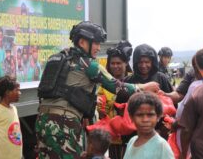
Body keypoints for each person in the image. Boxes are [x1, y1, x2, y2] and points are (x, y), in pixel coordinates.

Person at [35, 21, 159, 159]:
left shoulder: (58, 58)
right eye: (96, 43)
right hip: (63, 123)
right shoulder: (88, 64)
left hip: (42, 120)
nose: (99, 48)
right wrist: (144, 87)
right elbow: (118, 88)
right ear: (82, 42)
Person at [97, 40, 133, 159]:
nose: (115, 66)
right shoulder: (104, 86)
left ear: (126, 64)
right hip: (113, 137)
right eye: (112, 63)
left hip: (131, 134)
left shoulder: (132, 83)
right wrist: (100, 112)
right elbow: (99, 107)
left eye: (119, 63)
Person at [123, 92, 174, 159]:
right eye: (140, 115)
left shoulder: (162, 146)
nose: (145, 120)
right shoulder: (132, 141)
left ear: (158, 116)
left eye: (150, 115)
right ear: (131, 117)